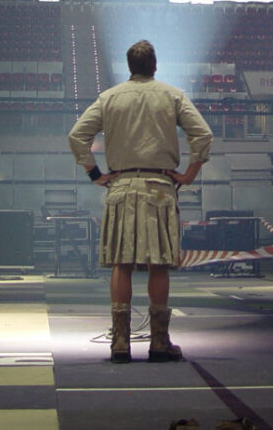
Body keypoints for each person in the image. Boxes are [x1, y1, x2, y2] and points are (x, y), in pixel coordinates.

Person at [68, 40, 213, 364]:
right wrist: (189, 172)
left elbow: (77, 136)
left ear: (129, 67)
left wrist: (94, 173)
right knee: (158, 262)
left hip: (120, 186)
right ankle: (159, 342)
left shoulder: (109, 98)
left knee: (121, 262)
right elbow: (202, 135)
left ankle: (120, 341)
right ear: (155, 66)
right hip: (160, 186)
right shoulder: (172, 95)